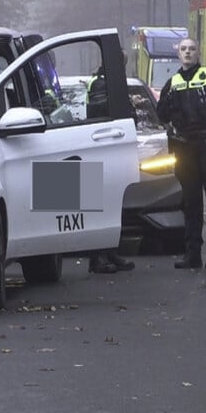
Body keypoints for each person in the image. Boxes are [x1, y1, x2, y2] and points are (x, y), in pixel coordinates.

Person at [156, 37, 206, 269]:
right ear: (178, 54)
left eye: (192, 49)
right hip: (185, 148)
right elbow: (162, 116)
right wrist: (168, 102)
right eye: (184, 49)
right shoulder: (172, 84)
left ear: (198, 52)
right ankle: (192, 254)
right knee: (191, 203)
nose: (188, 53)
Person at [85, 56, 135, 274]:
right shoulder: (99, 83)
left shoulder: (111, 82)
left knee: (113, 204)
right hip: (100, 145)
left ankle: (111, 252)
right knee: (99, 205)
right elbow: (101, 111)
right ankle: (97, 257)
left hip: (111, 147)